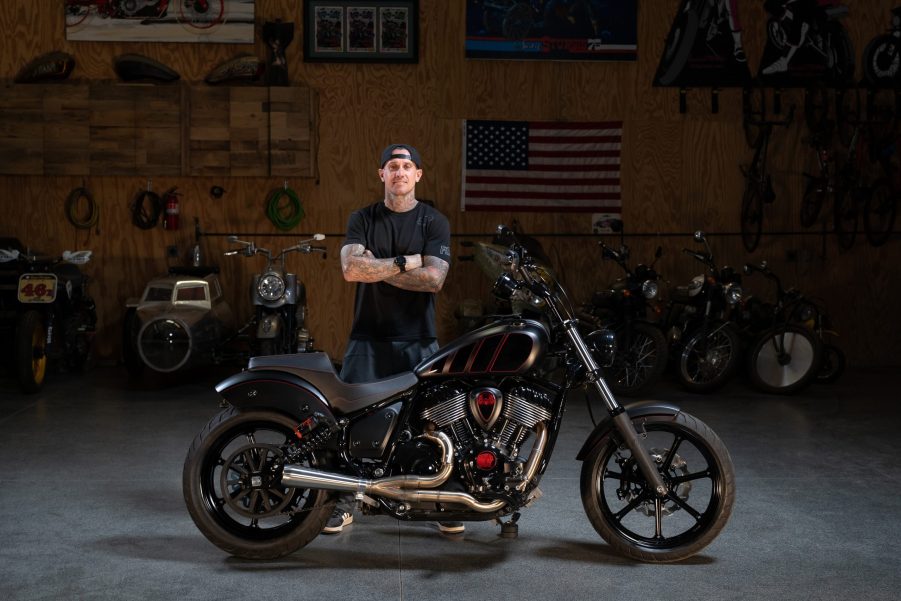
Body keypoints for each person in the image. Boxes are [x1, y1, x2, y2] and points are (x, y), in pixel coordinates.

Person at [323, 144, 462, 535]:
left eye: (406, 166)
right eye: (392, 166)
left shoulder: (433, 222)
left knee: (430, 421)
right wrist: (406, 261)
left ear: (418, 174)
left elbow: (434, 280)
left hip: (418, 339)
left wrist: (376, 267)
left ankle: (437, 500)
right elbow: (351, 270)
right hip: (367, 337)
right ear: (381, 174)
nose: (399, 172)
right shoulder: (362, 218)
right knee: (349, 420)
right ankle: (344, 500)